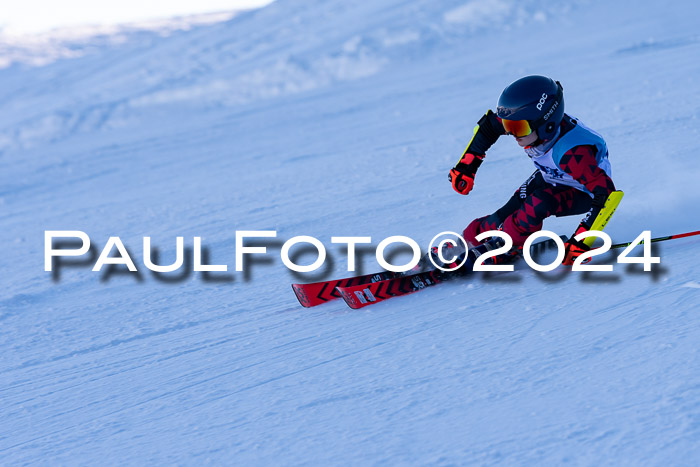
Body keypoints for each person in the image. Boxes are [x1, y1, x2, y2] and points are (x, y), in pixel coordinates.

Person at [447, 75, 616, 267]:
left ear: (547, 125)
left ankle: (507, 246)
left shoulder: (572, 154)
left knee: (538, 203)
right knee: (505, 213)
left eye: (518, 128)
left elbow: (606, 195)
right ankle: (466, 242)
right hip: (551, 174)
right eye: (508, 125)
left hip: (581, 191)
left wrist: (581, 241)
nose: (511, 133)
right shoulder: (533, 127)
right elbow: (489, 128)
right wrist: (467, 166)